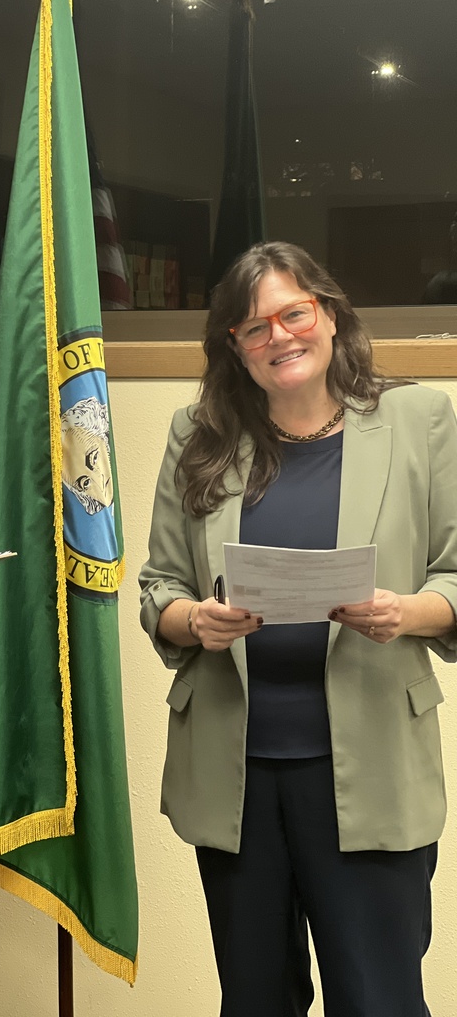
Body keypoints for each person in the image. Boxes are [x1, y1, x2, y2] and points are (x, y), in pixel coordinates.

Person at [139, 241, 457, 1017]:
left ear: (331, 315)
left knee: (378, 1000)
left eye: (294, 314)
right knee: (255, 1000)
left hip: (374, 766)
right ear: (235, 347)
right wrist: (195, 621)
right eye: (254, 327)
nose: (279, 337)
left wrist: (404, 612)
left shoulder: (418, 419)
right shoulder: (199, 433)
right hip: (236, 776)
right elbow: (160, 588)